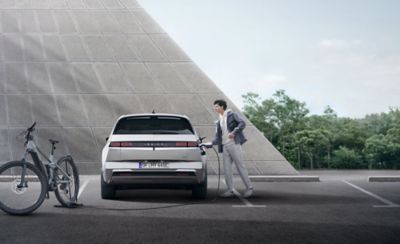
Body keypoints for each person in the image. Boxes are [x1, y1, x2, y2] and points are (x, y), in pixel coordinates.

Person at [210, 99, 254, 198]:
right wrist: (210, 143)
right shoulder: (219, 120)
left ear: (222, 107)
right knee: (227, 169)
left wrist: (234, 132)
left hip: (234, 144)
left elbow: (242, 123)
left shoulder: (232, 114)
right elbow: (218, 136)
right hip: (225, 146)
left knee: (240, 166)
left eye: (216, 106)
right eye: (214, 106)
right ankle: (230, 190)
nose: (214, 108)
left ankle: (249, 188)